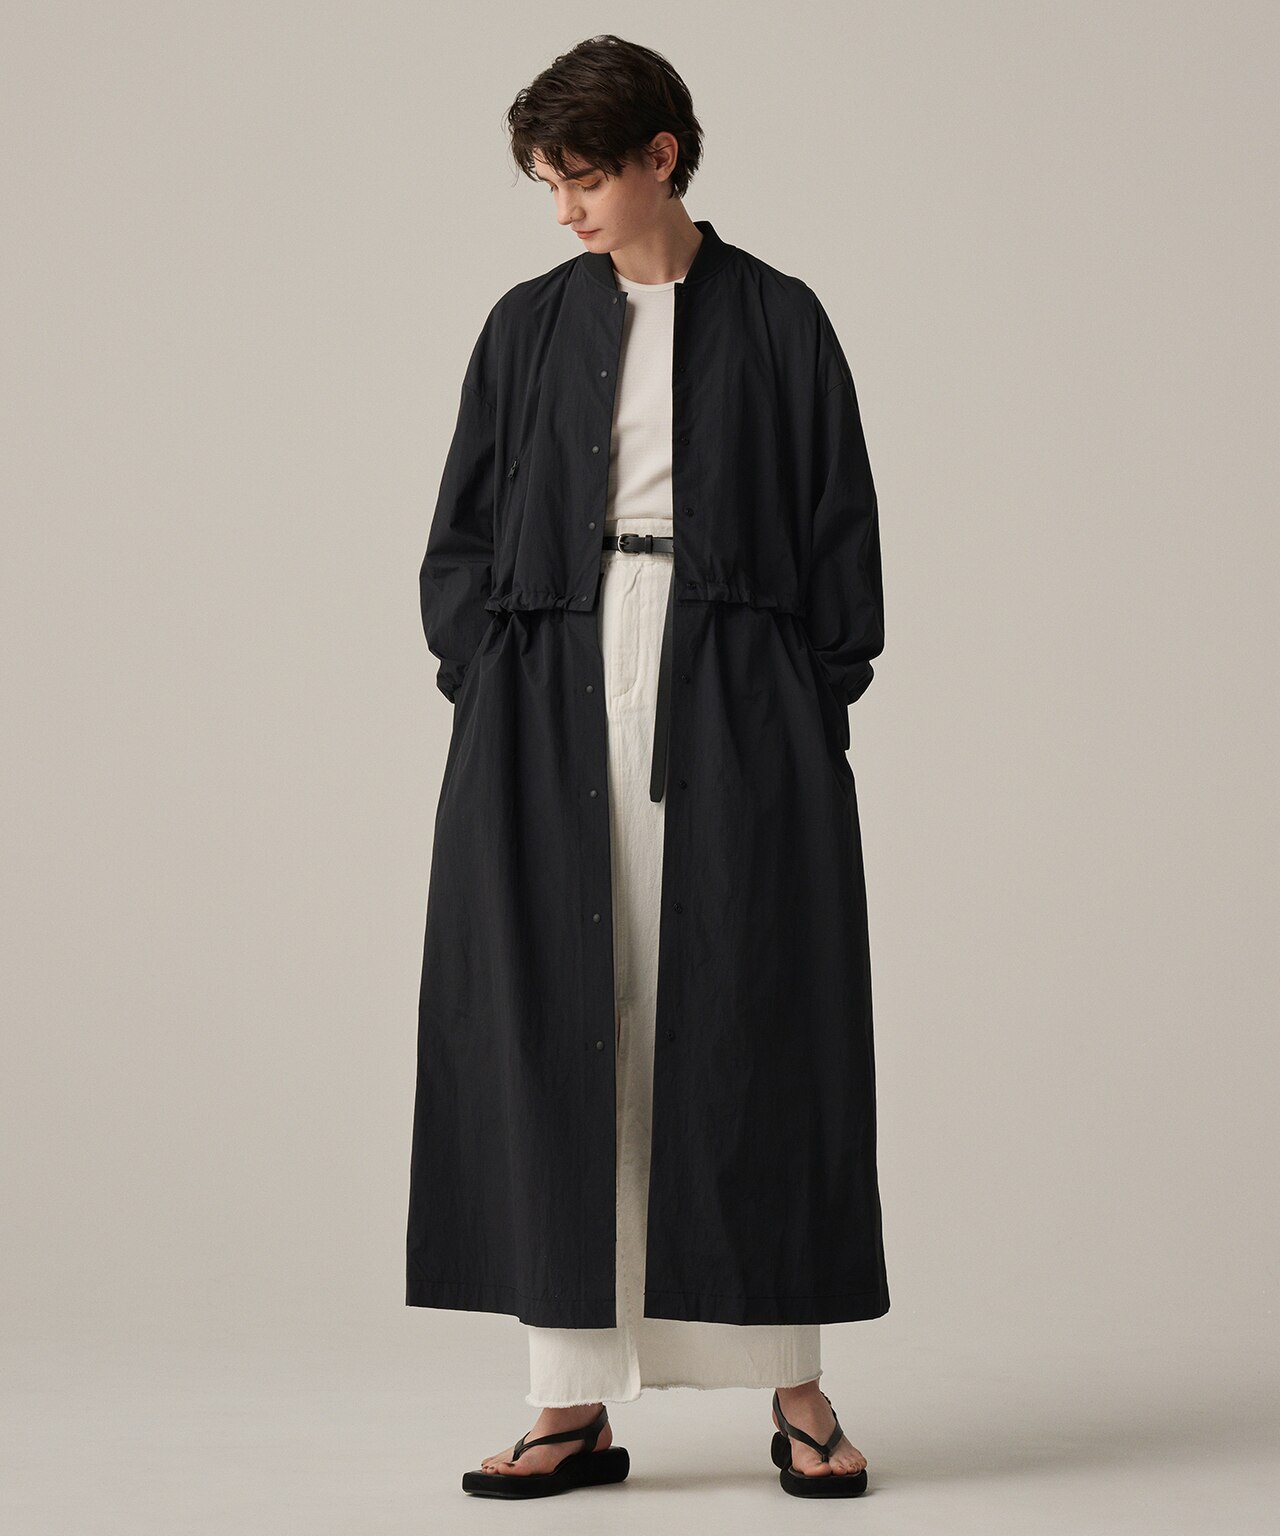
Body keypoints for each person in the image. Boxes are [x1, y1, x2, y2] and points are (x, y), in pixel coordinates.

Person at [408, 35, 887, 1501]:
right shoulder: (525, 326)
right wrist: (489, 680)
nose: (562, 209)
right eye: (547, 184)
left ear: (660, 157)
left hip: (735, 686)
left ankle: (792, 1387)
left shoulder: (783, 318)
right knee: (566, 1014)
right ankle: (568, 1403)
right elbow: (461, 533)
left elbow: (842, 538)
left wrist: (797, 705)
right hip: (553, 685)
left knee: (745, 1013)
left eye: (581, 178)